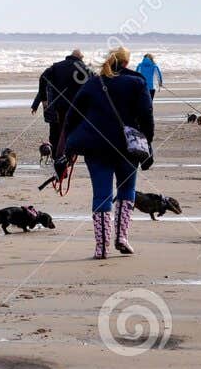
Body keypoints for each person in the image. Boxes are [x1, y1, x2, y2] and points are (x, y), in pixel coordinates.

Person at [64, 47, 154, 259]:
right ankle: (122, 238)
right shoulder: (137, 82)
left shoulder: (93, 83)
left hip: (96, 146)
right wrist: (148, 143)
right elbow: (146, 116)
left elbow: (73, 114)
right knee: (127, 191)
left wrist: (70, 143)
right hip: (128, 147)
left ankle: (101, 247)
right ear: (126, 62)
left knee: (101, 194)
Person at [31, 49, 91, 178]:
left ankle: (61, 161)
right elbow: (93, 84)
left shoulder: (57, 67)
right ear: (80, 57)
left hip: (61, 106)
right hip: (78, 107)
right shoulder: (84, 68)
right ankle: (67, 160)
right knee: (73, 133)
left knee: (62, 133)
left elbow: (43, 78)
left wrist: (43, 99)